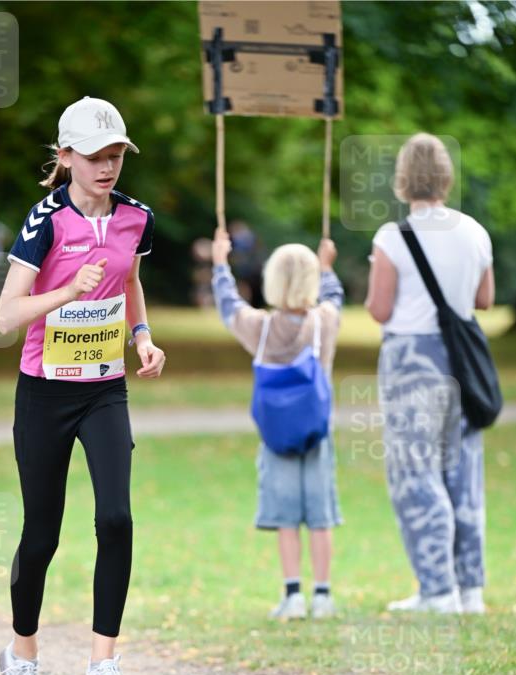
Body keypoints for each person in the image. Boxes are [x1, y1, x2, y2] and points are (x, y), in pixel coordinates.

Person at [0, 96, 165, 675]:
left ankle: (102, 667)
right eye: (95, 156)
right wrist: (67, 290)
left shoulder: (136, 219)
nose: (108, 166)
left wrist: (142, 336)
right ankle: (22, 661)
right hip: (43, 393)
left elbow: (129, 283)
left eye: (117, 154)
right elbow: (6, 316)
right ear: (65, 157)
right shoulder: (44, 222)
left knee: (116, 519)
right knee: (41, 536)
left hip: (103, 389)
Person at [365, 132, 494, 614]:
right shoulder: (475, 232)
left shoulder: (392, 238)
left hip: (410, 362)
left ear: (403, 178)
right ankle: (471, 588)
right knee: (463, 468)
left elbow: (379, 309)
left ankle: (437, 588)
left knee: (416, 472)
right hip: (462, 360)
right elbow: (482, 300)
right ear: (445, 175)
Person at [211, 228, 344, 619]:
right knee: (320, 516)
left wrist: (220, 264)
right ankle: (322, 595)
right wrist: (328, 268)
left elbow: (227, 306)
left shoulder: (261, 327)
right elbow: (335, 296)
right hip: (317, 431)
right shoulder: (324, 322)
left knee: (286, 517)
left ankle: (292, 595)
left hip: (275, 436)